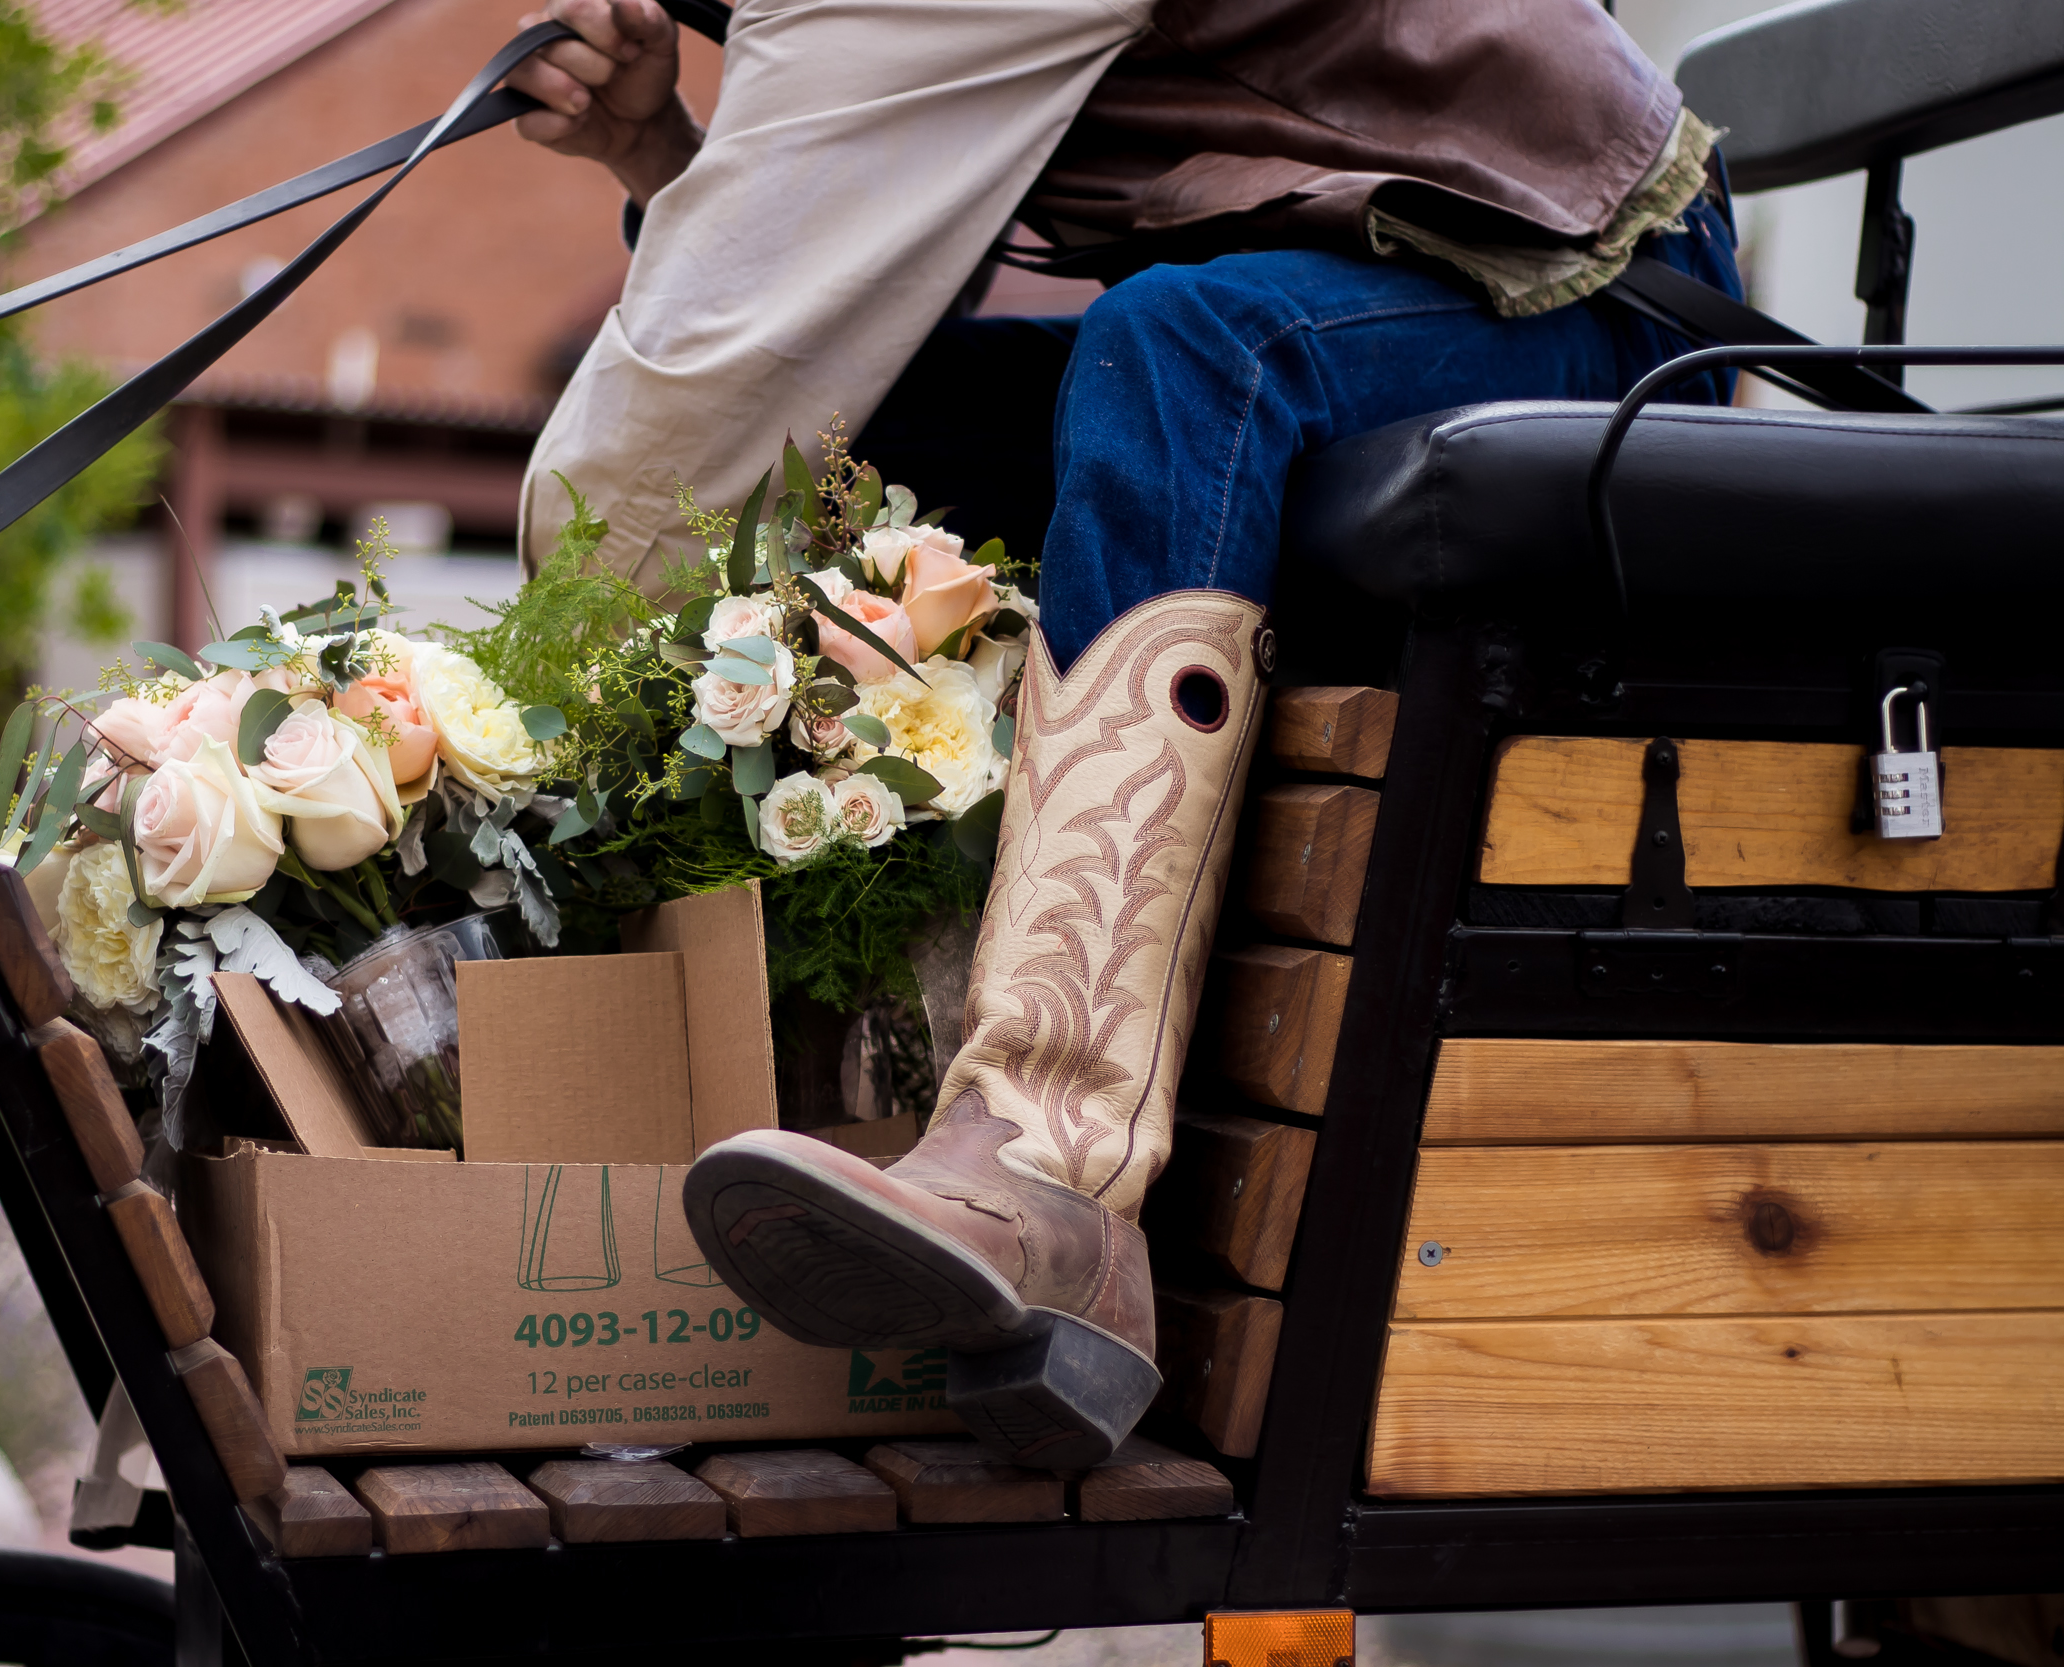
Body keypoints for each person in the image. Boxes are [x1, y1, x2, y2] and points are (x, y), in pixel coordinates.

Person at [508, 0, 1744, 1466]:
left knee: (1174, 351)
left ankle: (1050, 1162)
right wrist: (662, 152)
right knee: (874, 428)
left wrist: (541, 700)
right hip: (1334, 276)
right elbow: (823, 317)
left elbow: (688, 412)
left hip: (1564, 286)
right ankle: (860, 1081)